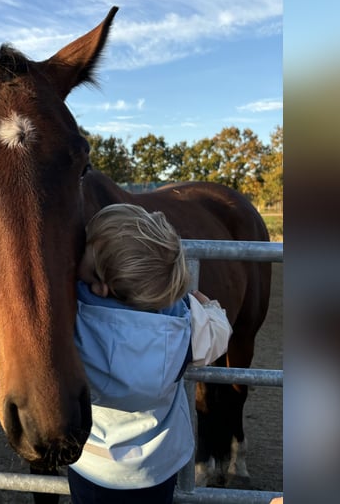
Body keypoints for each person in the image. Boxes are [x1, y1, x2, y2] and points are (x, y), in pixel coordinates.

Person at [69, 203, 233, 504]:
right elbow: (219, 336)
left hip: (91, 465)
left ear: (101, 285)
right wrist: (207, 307)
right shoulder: (182, 324)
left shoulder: (74, 320)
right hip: (158, 466)